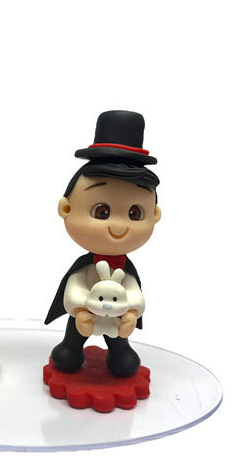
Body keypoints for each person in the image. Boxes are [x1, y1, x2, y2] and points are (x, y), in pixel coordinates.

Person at [44, 110, 161, 377]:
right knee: (67, 354)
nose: (118, 226)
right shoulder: (85, 267)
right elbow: (74, 287)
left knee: (123, 359)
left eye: (135, 213)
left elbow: (134, 293)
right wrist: (80, 308)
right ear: (66, 208)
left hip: (116, 317)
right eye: (102, 212)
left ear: (154, 215)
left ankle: (119, 350)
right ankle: (71, 346)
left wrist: (131, 313)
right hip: (85, 313)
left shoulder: (125, 270)